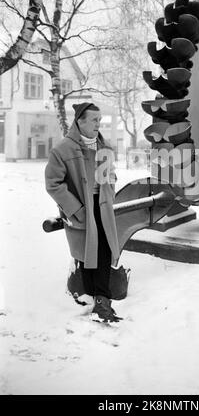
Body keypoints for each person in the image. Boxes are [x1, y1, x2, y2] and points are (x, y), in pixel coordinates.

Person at [45, 102, 122, 323]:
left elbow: (111, 174)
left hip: (103, 206)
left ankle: (101, 301)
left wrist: (111, 188)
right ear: (80, 121)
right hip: (81, 208)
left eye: (100, 119)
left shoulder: (103, 146)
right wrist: (75, 209)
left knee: (105, 250)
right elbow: (53, 183)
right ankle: (95, 299)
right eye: (94, 119)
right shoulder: (63, 149)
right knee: (89, 252)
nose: (99, 123)